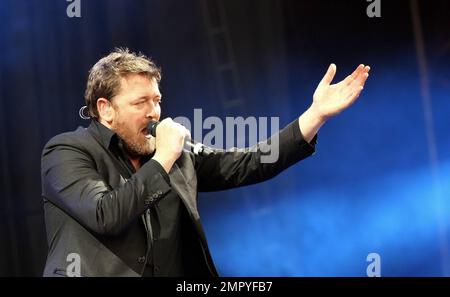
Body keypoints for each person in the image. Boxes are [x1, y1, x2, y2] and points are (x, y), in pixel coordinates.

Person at [41, 48, 370, 277]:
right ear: (105, 109)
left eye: (157, 100)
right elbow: (105, 215)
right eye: (140, 102)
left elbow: (249, 162)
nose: (154, 112)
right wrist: (165, 157)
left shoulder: (174, 153)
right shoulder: (67, 151)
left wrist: (315, 116)